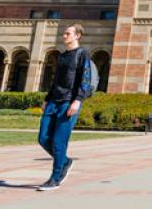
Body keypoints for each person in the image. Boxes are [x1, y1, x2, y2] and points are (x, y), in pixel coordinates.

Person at [36, 23, 93, 191]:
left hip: (69, 102)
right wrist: (47, 98)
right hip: (54, 101)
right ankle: (65, 161)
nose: (64, 36)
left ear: (77, 36)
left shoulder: (82, 54)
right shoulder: (62, 56)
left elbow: (85, 79)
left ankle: (55, 178)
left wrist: (78, 100)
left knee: (59, 142)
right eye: (64, 34)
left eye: (68, 33)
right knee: (43, 138)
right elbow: (56, 80)